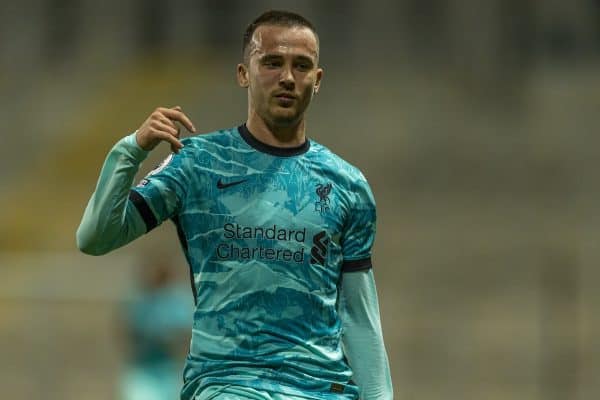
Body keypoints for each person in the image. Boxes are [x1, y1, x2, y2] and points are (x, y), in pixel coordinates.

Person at [77, 9, 393, 400]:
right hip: (228, 384)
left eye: (301, 65)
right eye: (272, 62)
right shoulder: (196, 163)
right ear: (244, 73)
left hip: (324, 389)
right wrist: (131, 150)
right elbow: (95, 237)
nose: (288, 77)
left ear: (318, 79)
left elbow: (359, 317)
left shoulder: (347, 185)